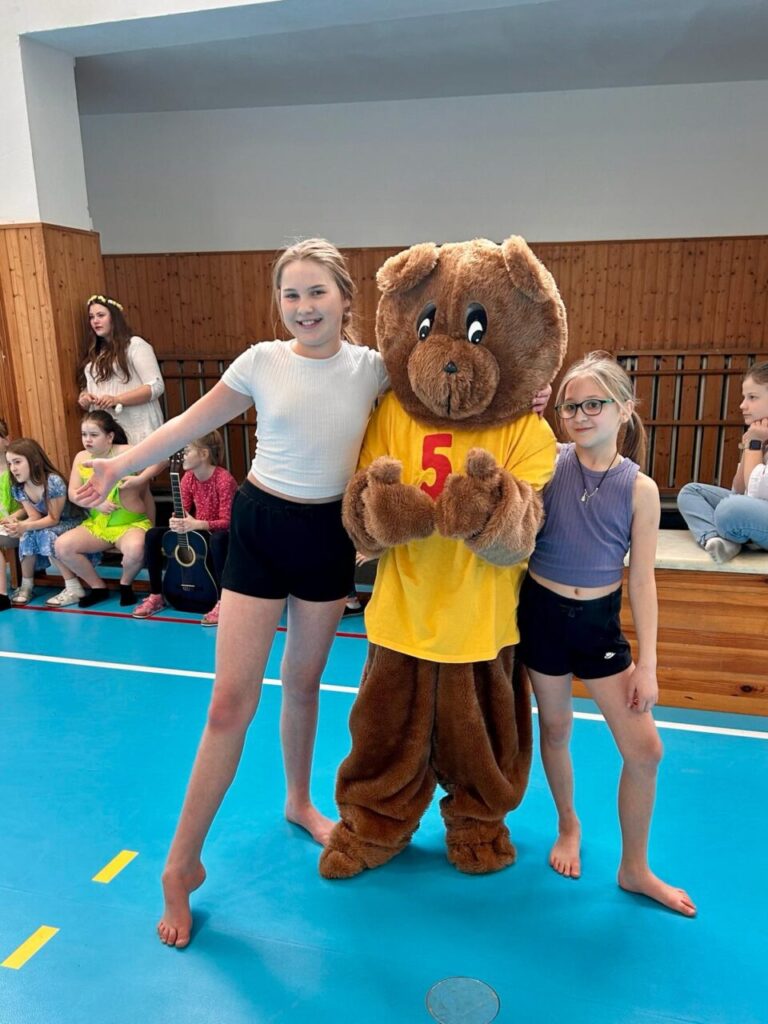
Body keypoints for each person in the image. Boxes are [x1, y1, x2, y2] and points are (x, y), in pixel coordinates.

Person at [75, 238, 392, 949]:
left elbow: (443, 401)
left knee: (304, 683)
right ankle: (180, 865)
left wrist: (530, 403)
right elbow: (185, 424)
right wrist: (119, 465)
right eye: (291, 294)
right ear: (278, 302)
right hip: (262, 526)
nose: (304, 306)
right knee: (229, 703)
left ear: (346, 298)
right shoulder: (262, 361)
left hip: (328, 535)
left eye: (317, 292)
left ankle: (300, 800)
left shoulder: (373, 368)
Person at [517, 351, 696, 917]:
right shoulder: (549, 462)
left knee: (645, 750)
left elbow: (641, 580)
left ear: (624, 408)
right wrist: (528, 407)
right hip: (541, 615)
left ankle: (634, 868)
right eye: (570, 406)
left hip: (598, 626)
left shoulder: (639, 489)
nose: (580, 414)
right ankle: (568, 824)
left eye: (593, 404)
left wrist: (648, 664)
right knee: (555, 729)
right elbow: (508, 445)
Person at [54, 411, 160, 607]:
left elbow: (162, 459)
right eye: (84, 434)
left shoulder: (126, 451)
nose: (87, 440)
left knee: (135, 550)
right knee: (62, 546)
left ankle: (125, 584)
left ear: (109, 437)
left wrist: (141, 478)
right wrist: (95, 502)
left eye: (94, 435)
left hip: (130, 524)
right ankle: (98, 587)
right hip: (98, 525)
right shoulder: (81, 457)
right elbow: (73, 494)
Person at [133, 430, 238, 625]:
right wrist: (177, 521)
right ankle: (156, 594)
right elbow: (182, 510)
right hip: (196, 530)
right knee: (153, 534)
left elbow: (228, 521)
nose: (182, 455)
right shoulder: (188, 478)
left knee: (218, 539)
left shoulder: (224, 479)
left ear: (204, 454)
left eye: (187, 451)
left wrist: (198, 524)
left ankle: (223, 601)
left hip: (221, 534)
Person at [677, 361, 768, 562]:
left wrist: (754, 444)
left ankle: (729, 534)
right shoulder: (760, 434)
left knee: (731, 509)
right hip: (757, 512)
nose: (743, 405)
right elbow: (739, 489)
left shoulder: (758, 437)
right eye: (744, 397)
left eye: (752, 397)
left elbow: (753, 494)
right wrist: (751, 445)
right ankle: (717, 540)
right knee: (691, 492)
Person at [3, 439, 85, 606]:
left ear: (34, 461)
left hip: (72, 522)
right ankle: (26, 585)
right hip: (50, 523)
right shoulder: (19, 487)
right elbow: (34, 516)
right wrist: (17, 524)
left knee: (45, 533)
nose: (13, 468)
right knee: (27, 534)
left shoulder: (52, 481)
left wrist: (25, 525)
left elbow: (54, 518)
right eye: (10, 463)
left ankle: (73, 587)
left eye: (17, 462)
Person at [78, 294, 165, 445]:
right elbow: (93, 386)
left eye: (101, 315)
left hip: (137, 427)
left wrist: (117, 399)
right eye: (91, 317)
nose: (95, 321)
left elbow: (156, 386)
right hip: (106, 433)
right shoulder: (94, 354)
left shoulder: (135, 345)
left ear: (114, 317)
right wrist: (85, 398)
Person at [0, 419, 22, 610]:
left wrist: (13, 517)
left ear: (7, 439)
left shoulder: (15, 469)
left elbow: (29, 506)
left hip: (18, 523)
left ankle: (2, 595)